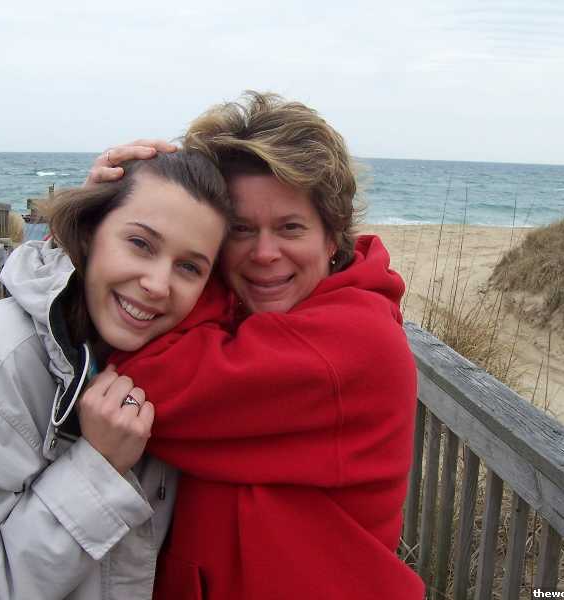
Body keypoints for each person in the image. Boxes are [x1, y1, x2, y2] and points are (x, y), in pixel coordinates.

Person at [87, 92, 425, 599]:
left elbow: (144, 374)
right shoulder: (265, 316)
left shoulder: (352, 341)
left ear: (332, 237)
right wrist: (112, 221)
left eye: (290, 227)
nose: (265, 253)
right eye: (241, 230)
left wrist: (112, 235)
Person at [0, 152, 232, 599]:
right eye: (140, 243)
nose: (158, 284)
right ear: (87, 233)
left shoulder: (159, 364)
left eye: (189, 267)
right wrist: (97, 470)